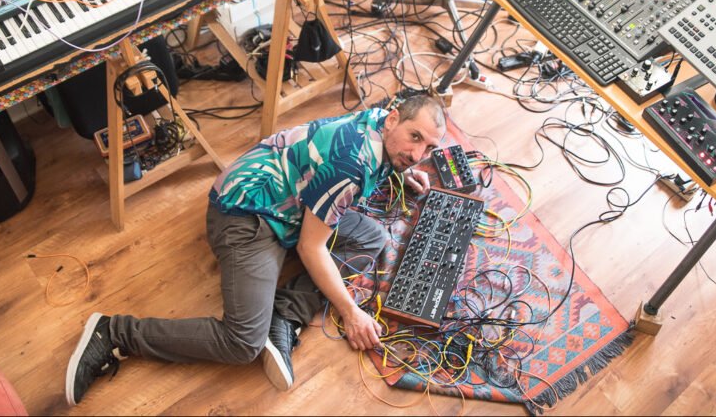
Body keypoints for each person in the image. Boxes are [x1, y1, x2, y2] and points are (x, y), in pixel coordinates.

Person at [65, 94, 447, 405]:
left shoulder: (379, 122)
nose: (418, 154)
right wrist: (351, 313)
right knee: (242, 343)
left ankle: (285, 316)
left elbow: (373, 158)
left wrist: (401, 171)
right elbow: (311, 247)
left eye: (428, 147)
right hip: (247, 214)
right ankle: (114, 333)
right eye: (414, 138)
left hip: (288, 198)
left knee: (372, 238)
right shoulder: (351, 166)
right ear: (393, 119)